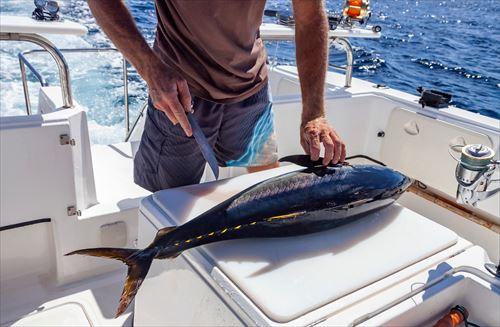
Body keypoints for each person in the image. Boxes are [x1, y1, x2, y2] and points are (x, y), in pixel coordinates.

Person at [88, 0, 346, 192]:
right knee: (164, 201)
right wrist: (149, 67)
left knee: (267, 186)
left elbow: (310, 18)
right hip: (181, 97)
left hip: (252, 92)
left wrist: (314, 113)